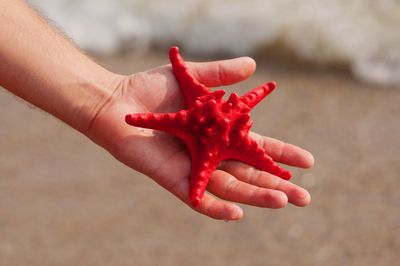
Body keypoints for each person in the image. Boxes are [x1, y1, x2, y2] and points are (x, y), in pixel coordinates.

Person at [0, 0, 314, 220]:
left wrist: (107, 99)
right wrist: (106, 99)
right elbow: (184, 114)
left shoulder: (204, 118)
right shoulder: (199, 119)